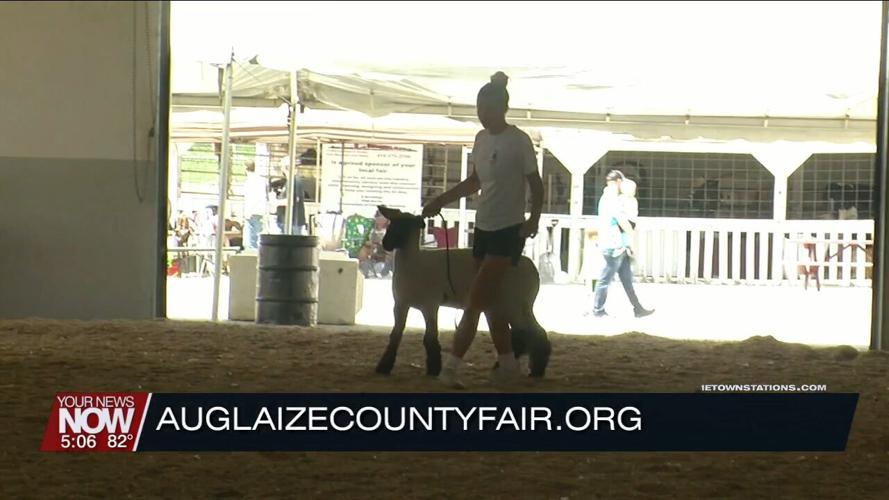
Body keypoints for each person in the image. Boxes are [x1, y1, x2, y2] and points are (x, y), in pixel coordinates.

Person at [422, 71, 544, 388]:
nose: (481, 114)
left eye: (486, 108)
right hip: (484, 226)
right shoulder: (480, 139)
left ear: (501, 108)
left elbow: (536, 183)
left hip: (507, 230)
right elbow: (476, 180)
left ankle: (451, 367)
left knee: (474, 301)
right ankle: (508, 364)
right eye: (479, 108)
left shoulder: (519, 141)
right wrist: (442, 199)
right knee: (491, 303)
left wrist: (533, 219)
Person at [590, 170, 654, 318]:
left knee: (626, 280)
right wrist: (632, 233)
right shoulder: (612, 199)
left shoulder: (607, 198)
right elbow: (621, 220)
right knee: (605, 279)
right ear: (619, 182)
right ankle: (597, 310)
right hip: (613, 244)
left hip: (617, 243)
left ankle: (637, 308)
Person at [243, 161, 267, 249]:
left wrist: (248, 212)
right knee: (256, 235)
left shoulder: (250, 181)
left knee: (251, 239)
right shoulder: (260, 180)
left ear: (246, 169)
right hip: (259, 211)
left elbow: (252, 198)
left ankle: (252, 256)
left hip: (252, 212)